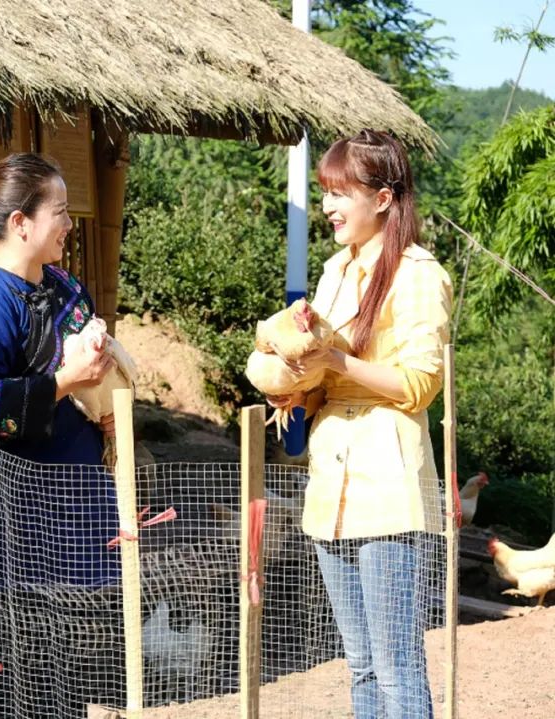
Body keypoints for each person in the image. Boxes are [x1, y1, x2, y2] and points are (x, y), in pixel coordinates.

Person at [267, 129, 451, 719]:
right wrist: (298, 387)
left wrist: (336, 362)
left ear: (384, 198)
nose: (327, 207)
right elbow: (322, 370)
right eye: (325, 193)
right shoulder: (334, 272)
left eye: (341, 192)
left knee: (397, 666)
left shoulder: (419, 274)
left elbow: (422, 385)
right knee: (361, 664)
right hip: (331, 488)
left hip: (388, 489)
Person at [0, 153, 122, 718]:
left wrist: (105, 407)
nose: (70, 225)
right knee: (11, 660)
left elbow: (89, 365)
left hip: (68, 498)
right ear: (21, 223)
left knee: (64, 656)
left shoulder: (64, 285)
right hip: (10, 507)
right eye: (60, 213)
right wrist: (67, 381)